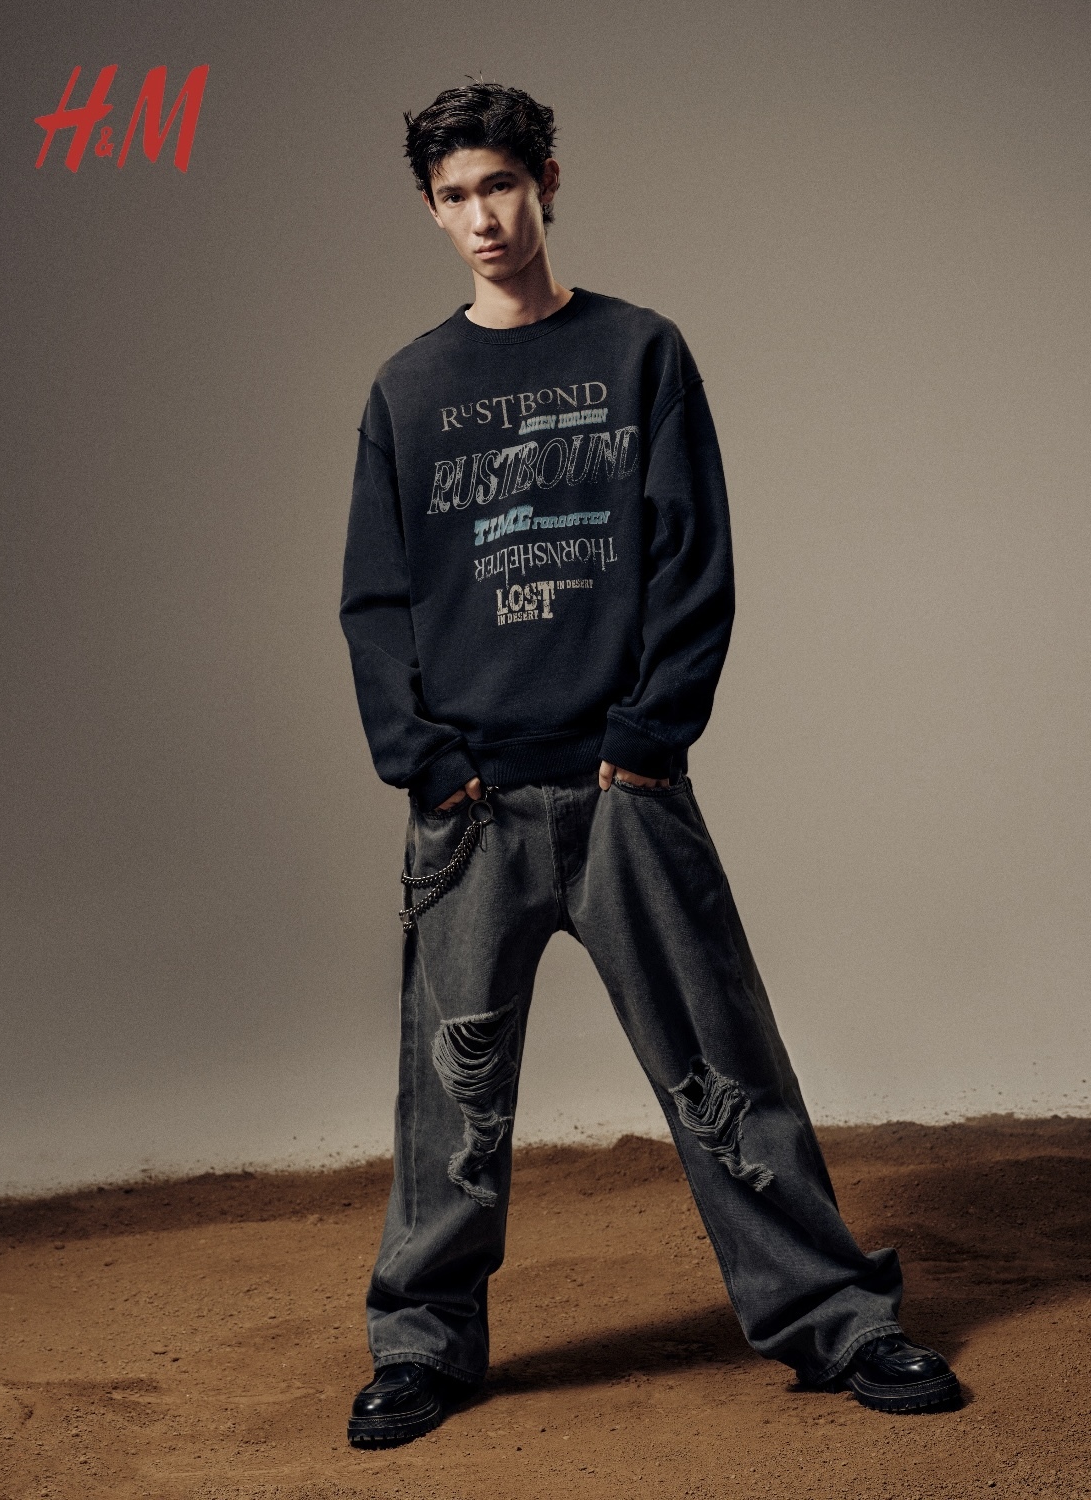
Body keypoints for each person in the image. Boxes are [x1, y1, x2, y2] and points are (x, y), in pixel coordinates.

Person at [338, 82, 961, 1449]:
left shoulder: (638, 353)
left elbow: (692, 554)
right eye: (454, 196)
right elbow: (377, 603)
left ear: (547, 183)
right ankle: (422, 1346)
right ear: (431, 210)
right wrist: (423, 763)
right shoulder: (407, 389)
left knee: (724, 1067)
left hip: (625, 791)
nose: (484, 218)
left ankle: (836, 1319)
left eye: (502, 185)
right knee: (449, 1097)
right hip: (471, 807)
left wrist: (647, 735)